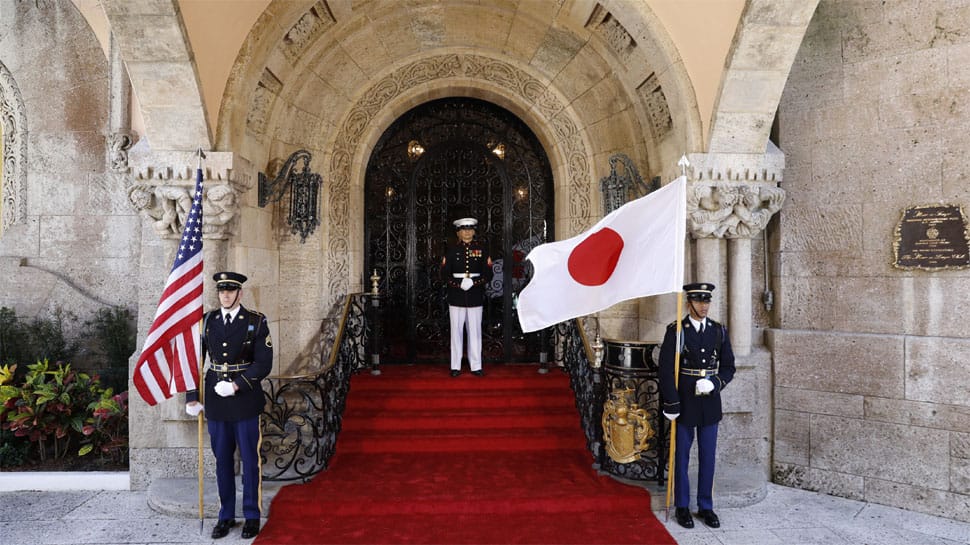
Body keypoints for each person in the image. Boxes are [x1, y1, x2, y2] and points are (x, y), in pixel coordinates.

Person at [185, 271, 273, 539]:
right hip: (216, 402)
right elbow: (194, 360)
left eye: (230, 290)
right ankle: (225, 516)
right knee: (222, 460)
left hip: (245, 399)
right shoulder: (207, 321)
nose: (225, 295)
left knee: (249, 460)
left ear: (240, 293)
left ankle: (251, 516)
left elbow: (263, 363)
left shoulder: (256, 322)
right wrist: (191, 396)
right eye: (221, 291)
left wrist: (236, 384)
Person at [659, 282, 736, 529]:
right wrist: (671, 402)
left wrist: (715, 383)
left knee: (708, 457)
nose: (704, 306)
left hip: (710, 402)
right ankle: (682, 505)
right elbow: (666, 370)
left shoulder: (718, 331)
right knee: (681, 456)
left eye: (707, 301)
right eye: (699, 301)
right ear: (688, 303)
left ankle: (706, 506)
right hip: (685, 402)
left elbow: (728, 367)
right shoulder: (676, 331)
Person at [440, 217, 493, 377]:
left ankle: (476, 365)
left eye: (470, 229)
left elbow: (488, 273)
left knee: (475, 331)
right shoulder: (451, 251)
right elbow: (444, 274)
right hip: (456, 295)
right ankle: (455, 365)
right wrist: (458, 283)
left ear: (474, 231)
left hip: (475, 294)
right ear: (458, 233)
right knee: (456, 331)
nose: (467, 232)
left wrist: (474, 282)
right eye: (464, 229)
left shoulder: (482, 250)